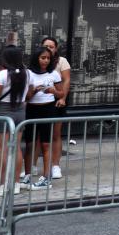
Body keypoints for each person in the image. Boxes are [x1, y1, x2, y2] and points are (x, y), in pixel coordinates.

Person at [0, 46, 31, 195]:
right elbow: (28, 94)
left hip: (3, 111)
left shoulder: (3, 74)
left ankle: (0, 186)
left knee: (1, 150)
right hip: (20, 111)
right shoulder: (26, 73)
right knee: (16, 148)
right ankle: (15, 184)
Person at [24, 47, 63, 190]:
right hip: (32, 109)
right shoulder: (28, 74)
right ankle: (27, 175)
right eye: (42, 58)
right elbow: (26, 97)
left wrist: (53, 91)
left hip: (48, 108)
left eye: (48, 58)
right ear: (36, 58)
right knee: (29, 144)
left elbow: (61, 93)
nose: (45, 61)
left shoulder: (54, 74)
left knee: (46, 144)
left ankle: (46, 177)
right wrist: (33, 90)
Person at [41, 37, 70, 180]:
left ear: (56, 48)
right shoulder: (37, 60)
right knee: (37, 135)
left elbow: (67, 80)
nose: (49, 48)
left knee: (56, 134)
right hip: (39, 102)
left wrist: (62, 98)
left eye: (51, 46)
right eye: (46, 46)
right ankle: (32, 166)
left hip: (56, 101)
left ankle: (55, 165)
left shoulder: (62, 61)